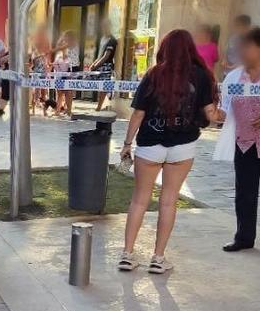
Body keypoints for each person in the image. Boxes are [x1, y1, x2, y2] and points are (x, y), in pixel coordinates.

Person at [118, 30, 220, 274]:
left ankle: (127, 254)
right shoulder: (202, 76)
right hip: (182, 147)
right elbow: (211, 116)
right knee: (168, 202)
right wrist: (227, 116)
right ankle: (158, 258)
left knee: (139, 201)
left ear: (163, 49)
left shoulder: (154, 74)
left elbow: (138, 113)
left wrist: (127, 143)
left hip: (150, 146)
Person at [217, 27, 260, 252]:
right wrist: (212, 114)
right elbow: (223, 109)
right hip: (245, 142)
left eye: (247, 47)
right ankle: (244, 237)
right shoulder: (234, 77)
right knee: (245, 191)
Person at [89, 19, 118, 111]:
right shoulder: (103, 39)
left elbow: (106, 56)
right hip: (99, 64)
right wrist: (94, 64)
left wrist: (96, 65)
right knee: (99, 85)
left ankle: (99, 106)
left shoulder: (112, 40)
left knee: (103, 86)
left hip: (106, 66)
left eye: (105, 26)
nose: (103, 29)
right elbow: (100, 54)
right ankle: (101, 104)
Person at [29, 27, 51, 116]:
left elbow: (46, 62)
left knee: (43, 92)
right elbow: (31, 63)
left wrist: (47, 71)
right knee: (35, 92)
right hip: (36, 73)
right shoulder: (33, 51)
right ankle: (33, 110)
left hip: (43, 73)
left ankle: (44, 111)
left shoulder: (45, 50)